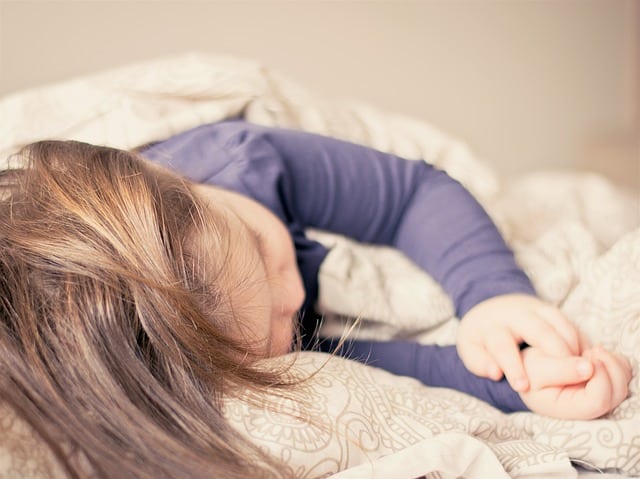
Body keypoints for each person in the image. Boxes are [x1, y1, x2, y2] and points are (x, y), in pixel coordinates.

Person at [0, 121, 631, 477]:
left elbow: (415, 195)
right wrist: (516, 383)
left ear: (178, 180)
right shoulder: (195, 361)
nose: (295, 291)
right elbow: (354, 365)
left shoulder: (235, 163)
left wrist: (493, 298)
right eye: (279, 325)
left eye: (264, 251)